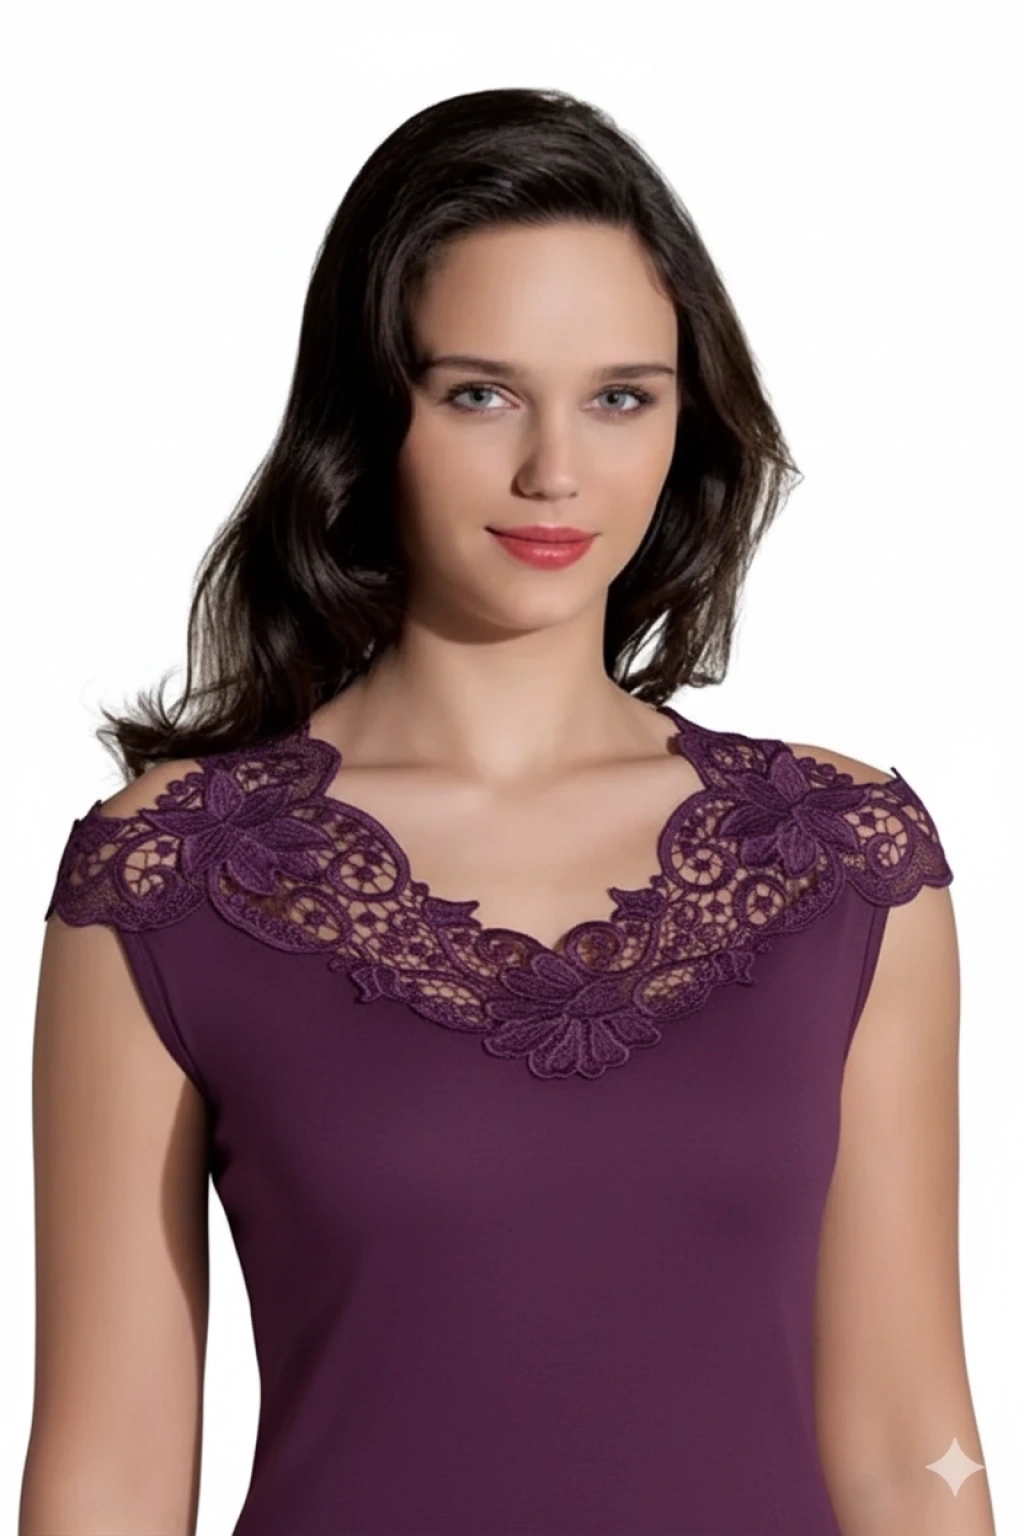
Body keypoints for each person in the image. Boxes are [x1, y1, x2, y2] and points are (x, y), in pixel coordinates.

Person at [20, 87, 993, 1536]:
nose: (556, 470)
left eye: (620, 397)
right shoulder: (171, 881)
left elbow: (913, 1446)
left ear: (686, 420)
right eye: (480, 393)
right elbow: (106, 1477)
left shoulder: (844, 864)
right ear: (370, 414)